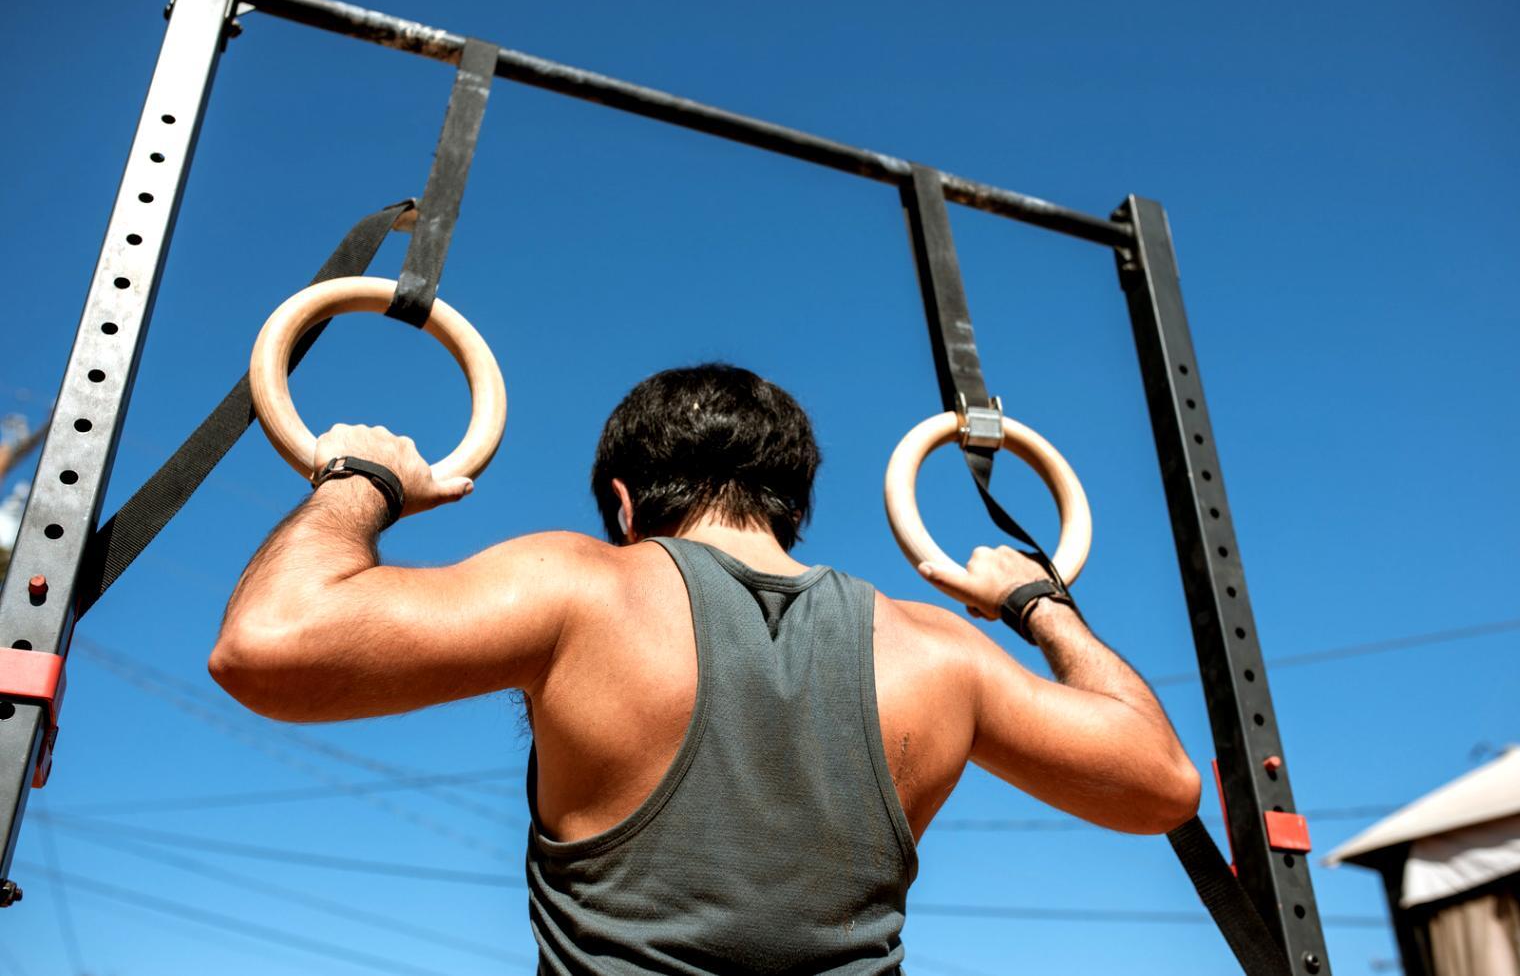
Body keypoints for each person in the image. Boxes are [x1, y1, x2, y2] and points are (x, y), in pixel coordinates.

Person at [211, 363, 1201, 975]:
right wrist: (1038, 602)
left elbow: (267, 647)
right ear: (792, 505)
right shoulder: (940, 651)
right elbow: (1161, 785)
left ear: (623, 502)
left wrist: (360, 481)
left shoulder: (582, 586)